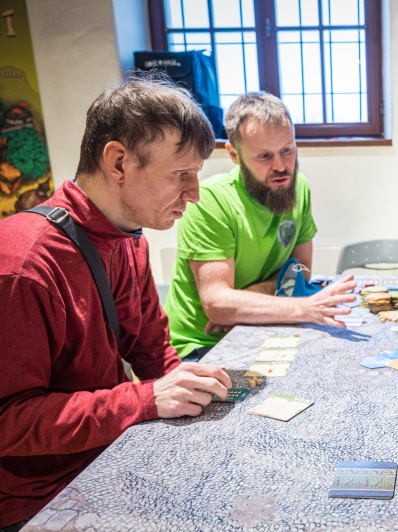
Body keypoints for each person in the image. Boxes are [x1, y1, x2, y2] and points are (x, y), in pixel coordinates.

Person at [0, 76, 233, 530]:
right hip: (38, 499)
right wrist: (143, 399)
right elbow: (9, 420)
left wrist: (194, 391)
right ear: (118, 162)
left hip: (109, 453)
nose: (195, 194)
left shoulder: (130, 240)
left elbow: (152, 351)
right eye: (181, 174)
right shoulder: (21, 266)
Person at [165, 92, 356, 360]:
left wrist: (245, 300)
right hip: (203, 345)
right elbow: (218, 305)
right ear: (234, 154)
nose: (281, 166)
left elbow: (302, 273)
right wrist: (303, 307)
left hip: (262, 328)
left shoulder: (298, 186)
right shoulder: (209, 200)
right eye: (265, 156)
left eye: (287, 150)